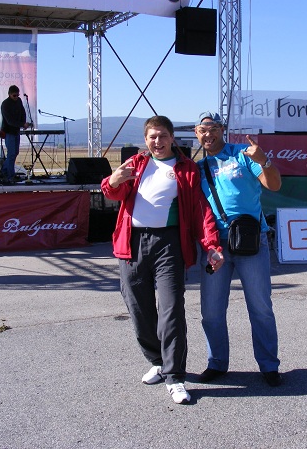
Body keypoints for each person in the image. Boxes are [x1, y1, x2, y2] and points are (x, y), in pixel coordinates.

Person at [101, 115, 224, 404]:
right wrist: (112, 180)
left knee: (171, 309)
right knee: (138, 307)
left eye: (163, 136)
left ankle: (175, 377)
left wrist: (211, 245)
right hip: (133, 243)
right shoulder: (136, 164)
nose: (158, 142)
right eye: (152, 137)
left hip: (169, 244)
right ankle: (157, 360)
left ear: (172, 138)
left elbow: (200, 210)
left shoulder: (185, 168)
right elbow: (113, 191)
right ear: (146, 140)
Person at [194, 111, 283, 387]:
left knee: (260, 307)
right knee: (211, 310)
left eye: (213, 128)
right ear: (197, 134)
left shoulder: (243, 155)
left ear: (222, 130)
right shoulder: (198, 168)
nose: (208, 134)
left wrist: (264, 160)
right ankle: (217, 363)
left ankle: (269, 366)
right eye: (202, 130)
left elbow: (274, 185)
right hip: (214, 247)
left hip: (250, 242)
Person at [0, 85, 30, 183]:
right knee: (11, 154)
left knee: (15, 153)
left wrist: (23, 123)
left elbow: (23, 112)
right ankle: (10, 175)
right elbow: (9, 121)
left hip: (16, 131)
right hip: (9, 131)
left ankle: (4, 171)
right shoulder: (5, 104)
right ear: (9, 94)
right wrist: (22, 124)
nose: (16, 97)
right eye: (14, 95)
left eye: (17, 95)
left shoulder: (19, 101)